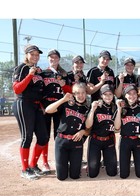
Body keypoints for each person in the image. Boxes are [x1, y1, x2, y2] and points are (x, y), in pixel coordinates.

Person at [12, 44, 49, 180]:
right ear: (27, 55)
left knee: (43, 137)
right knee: (27, 137)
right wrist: (29, 75)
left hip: (36, 106)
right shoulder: (22, 68)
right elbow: (17, 89)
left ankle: (33, 165)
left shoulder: (38, 71)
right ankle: (25, 169)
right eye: (32, 54)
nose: (35, 56)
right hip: (23, 104)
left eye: (37, 54)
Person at [45, 82, 89, 181]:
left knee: (75, 176)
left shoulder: (87, 109)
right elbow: (48, 110)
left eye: (83, 93)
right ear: (73, 94)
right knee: (61, 177)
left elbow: (89, 128)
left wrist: (83, 131)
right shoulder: (66, 104)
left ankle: (73, 165)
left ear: (86, 93)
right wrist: (63, 99)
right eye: (77, 93)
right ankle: (62, 166)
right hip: (61, 141)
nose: (80, 95)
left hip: (76, 143)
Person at [40, 49, 71, 174]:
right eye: (51, 57)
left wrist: (63, 84)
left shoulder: (63, 74)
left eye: (56, 57)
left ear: (59, 59)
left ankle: (62, 160)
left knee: (59, 135)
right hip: (46, 107)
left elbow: (70, 91)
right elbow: (38, 91)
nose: (53, 59)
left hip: (60, 107)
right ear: (48, 59)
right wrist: (41, 106)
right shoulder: (43, 73)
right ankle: (45, 162)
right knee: (45, 136)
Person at [114, 85, 140, 179]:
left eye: (134, 93)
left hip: (138, 141)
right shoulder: (121, 108)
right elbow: (116, 127)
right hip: (125, 141)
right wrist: (119, 109)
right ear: (125, 95)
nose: (132, 96)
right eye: (129, 94)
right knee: (123, 175)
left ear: (137, 95)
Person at [85, 84, 118, 178]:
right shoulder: (96, 106)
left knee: (112, 173)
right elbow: (87, 125)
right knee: (92, 174)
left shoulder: (115, 108)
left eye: (110, 94)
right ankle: (95, 162)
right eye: (105, 94)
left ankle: (106, 161)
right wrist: (92, 110)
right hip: (95, 140)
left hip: (109, 141)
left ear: (113, 95)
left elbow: (117, 128)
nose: (108, 96)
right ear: (101, 95)